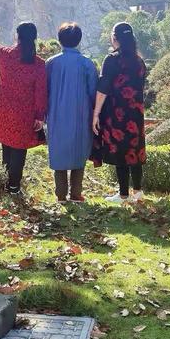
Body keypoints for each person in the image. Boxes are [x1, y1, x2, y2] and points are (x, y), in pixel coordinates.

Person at [0, 22, 47, 196]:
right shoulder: (38, 63)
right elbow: (41, 92)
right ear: (34, 38)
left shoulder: (4, 55)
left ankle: (6, 181)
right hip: (25, 113)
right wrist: (39, 116)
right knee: (19, 148)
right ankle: (13, 186)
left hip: (5, 110)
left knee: (7, 144)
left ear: (17, 36)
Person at [92, 22, 147, 203]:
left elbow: (103, 89)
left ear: (114, 38)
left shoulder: (112, 59)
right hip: (136, 113)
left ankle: (123, 194)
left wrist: (95, 113)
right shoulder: (139, 61)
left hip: (117, 113)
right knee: (135, 149)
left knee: (121, 150)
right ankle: (137, 192)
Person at [46, 22, 98, 203]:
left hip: (56, 115)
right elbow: (93, 93)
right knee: (79, 151)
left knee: (59, 151)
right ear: (79, 40)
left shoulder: (51, 63)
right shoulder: (87, 64)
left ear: (60, 40)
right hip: (81, 116)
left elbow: (44, 91)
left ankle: (61, 194)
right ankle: (76, 194)